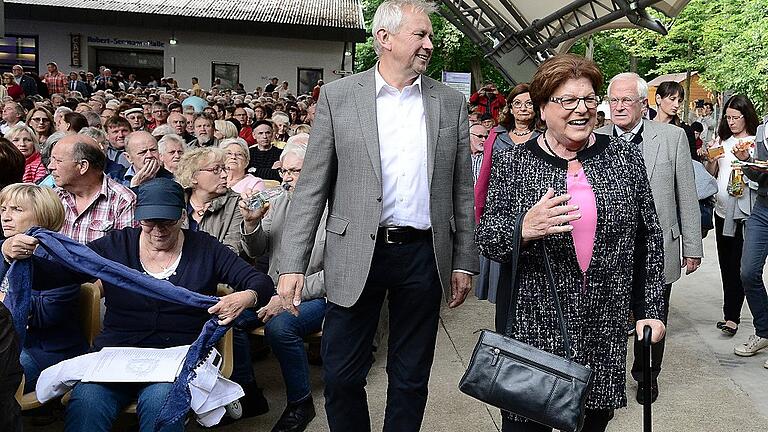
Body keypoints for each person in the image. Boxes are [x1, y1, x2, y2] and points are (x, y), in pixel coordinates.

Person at [276, 1, 478, 431]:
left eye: (430, 36)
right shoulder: (339, 96)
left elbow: (462, 190)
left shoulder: (449, 102)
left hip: (423, 256)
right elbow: (312, 187)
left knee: (410, 378)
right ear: (383, 39)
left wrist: (464, 260)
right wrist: (292, 264)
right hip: (353, 254)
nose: (429, 44)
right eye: (419, 35)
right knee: (341, 375)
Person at [476, 53, 666, 432]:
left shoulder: (623, 157)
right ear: (543, 109)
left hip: (602, 324)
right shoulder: (514, 162)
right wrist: (524, 227)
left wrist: (650, 308)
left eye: (590, 99)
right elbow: (488, 239)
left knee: (593, 423)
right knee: (527, 424)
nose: (582, 110)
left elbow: (649, 236)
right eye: (568, 101)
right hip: (533, 328)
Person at [2, 177, 274, 432]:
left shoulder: (205, 248)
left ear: (182, 215)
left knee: (162, 407)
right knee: (87, 405)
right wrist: (11, 254)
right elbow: (57, 275)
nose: (157, 229)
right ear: (137, 218)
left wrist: (246, 296)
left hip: (177, 357)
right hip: (116, 355)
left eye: (166, 220)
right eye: (148, 221)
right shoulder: (117, 245)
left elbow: (259, 282)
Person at [597, 72, 702, 404]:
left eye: (626, 100)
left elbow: (686, 195)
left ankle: (646, 375)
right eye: (613, 100)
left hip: (657, 246)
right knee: (608, 316)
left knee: (653, 316)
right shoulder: (595, 137)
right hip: (609, 249)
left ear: (643, 103)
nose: (618, 107)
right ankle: (605, 377)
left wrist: (692, 245)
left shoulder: (672, 138)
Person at [240, 143, 326, 432]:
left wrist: (286, 296)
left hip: (319, 294)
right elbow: (258, 248)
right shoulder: (278, 201)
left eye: (295, 171)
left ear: (314, 170)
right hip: (277, 289)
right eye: (284, 170)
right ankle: (249, 394)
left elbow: (336, 275)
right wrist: (251, 224)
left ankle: (301, 403)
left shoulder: (332, 207)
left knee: (281, 328)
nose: (287, 177)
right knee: (230, 317)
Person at [0, 184, 89, 391]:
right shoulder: (4, 249)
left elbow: (46, 313)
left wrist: (4, 297)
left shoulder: (60, 257)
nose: (5, 216)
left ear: (43, 216)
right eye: (3, 209)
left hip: (45, 349)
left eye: (16, 209)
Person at [474, 83, 539, 305]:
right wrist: (479, 209)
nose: (523, 108)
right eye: (517, 103)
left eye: (529, 103)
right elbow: (484, 173)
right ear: (510, 108)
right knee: (501, 274)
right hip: (500, 208)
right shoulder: (496, 134)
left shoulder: (544, 134)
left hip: (532, 207)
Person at [702, 95, 758, 340]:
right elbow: (711, 175)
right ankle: (730, 315)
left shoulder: (756, 142)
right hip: (722, 211)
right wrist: (711, 160)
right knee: (727, 265)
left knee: (743, 267)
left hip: (747, 214)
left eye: (736, 117)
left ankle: (735, 317)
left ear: (747, 116)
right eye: (728, 117)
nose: (732, 122)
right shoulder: (722, 141)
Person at [48, 133, 137, 243]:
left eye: (58, 161)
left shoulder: (123, 201)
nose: (50, 166)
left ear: (83, 166)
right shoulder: (54, 198)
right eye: (51, 160)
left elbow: (125, 253)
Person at [653, 81, 697, 159]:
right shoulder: (645, 126)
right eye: (672, 99)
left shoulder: (685, 131)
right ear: (658, 99)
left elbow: (693, 163)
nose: (676, 105)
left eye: (679, 101)